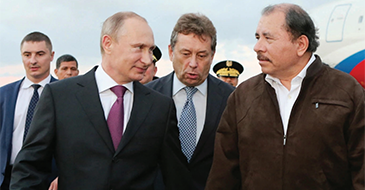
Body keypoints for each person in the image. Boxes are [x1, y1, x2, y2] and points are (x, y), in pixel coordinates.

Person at [10, 12, 188, 190]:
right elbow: (29, 169)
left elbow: (175, 177)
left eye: (149, 50)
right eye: (139, 48)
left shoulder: (160, 107)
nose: (148, 59)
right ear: (108, 44)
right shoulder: (59, 96)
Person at [206, 3, 364, 190]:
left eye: (268, 38)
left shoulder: (346, 92)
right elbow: (223, 175)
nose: (257, 47)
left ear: (300, 45)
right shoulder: (243, 97)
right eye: (257, 37)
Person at [146, 13, 235, 190]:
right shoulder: (147, 96)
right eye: (185, 54)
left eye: (202, 55)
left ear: (213, 55)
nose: (193, 63)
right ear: (171, 52)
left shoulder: (232, 99)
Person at [0, 31, 58, 190]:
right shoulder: (4, 94)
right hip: (7, 178)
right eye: (27, 54)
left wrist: (65, 175)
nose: (33, 60)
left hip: (49, 180)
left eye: (40, 54)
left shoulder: (67, 94)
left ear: (51, 55)